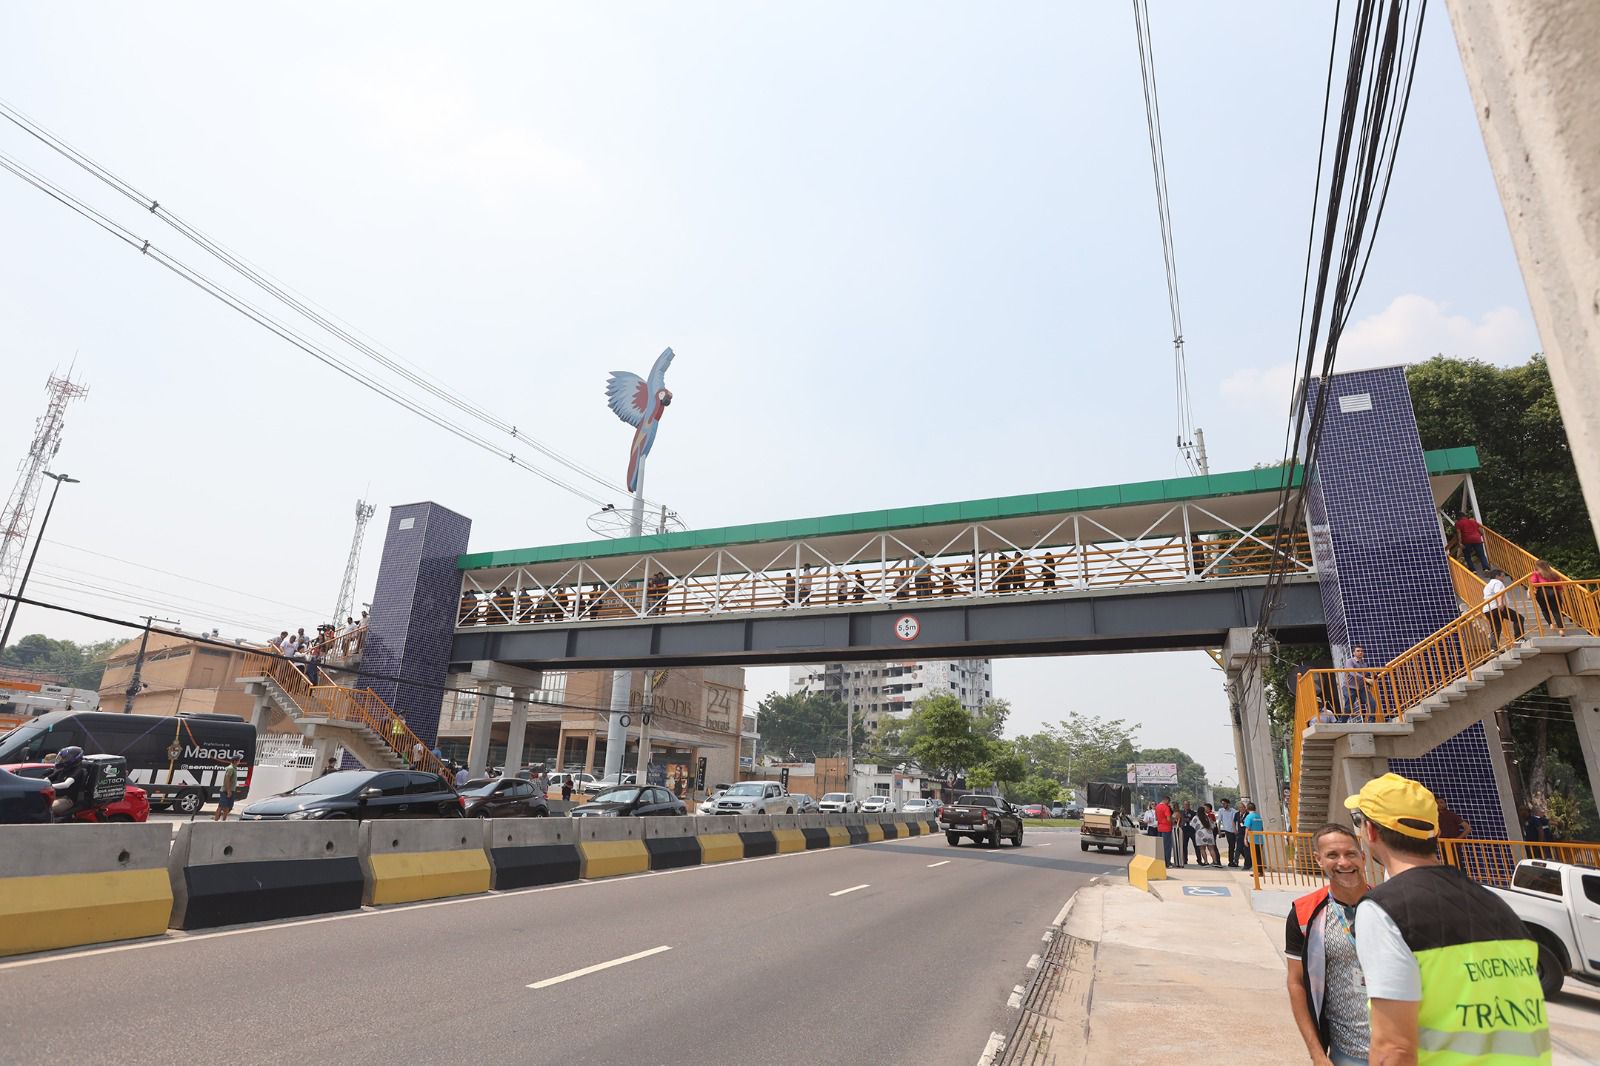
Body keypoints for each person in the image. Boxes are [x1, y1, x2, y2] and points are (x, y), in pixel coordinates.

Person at [1346, 773, 1550, 1066]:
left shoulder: (1383, 910)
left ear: (1370, 831)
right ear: (1435, 834)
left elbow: (1394, 1050)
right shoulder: (1493, 903)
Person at [1285, 823, 1372, 1066]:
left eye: (1351, 854)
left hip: (1402, 1049)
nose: (1344, 863)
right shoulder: (1304, 915)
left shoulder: (1390, 906)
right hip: (1348, 1055)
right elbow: (1297, 983)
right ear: (1318, 860)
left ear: (1363, 857)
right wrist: (1317, 1054)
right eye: (1332, 855)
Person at [1482, 569, 1525, 643]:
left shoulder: (1488, 585)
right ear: (1497, 576)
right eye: (1502, 576)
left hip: (1487, 609)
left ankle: (1494, 648)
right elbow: (1499, 593)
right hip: (1496, 607)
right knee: (1519, 618)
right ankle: (1519, 638)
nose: (1503, 578)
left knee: (1496, 628)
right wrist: (1500, 603)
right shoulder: (1498, 582)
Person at [46, 745, 89, 818]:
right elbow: (48, 778)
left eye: (64, 758)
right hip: (55, 796)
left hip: (67, 799)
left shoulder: (78, 770)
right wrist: (39, 784)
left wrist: (49, 786)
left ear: (73, 758)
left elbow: (66, 784)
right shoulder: (63, 769)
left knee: (48, 809)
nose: (62, 760)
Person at [1528, 559, 1565, 636]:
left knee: (1544, 609)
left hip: (1542, 591)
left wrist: (1529, 592)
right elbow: (1559, 586)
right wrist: (1561, 597)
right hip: (1553, 591)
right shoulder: (1553, 573)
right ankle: (1561, 630)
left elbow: (1533, 583)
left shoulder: (1536, 573)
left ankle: (1551, 624)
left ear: (1537, 567)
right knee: (1556, 610)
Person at [1341, 647, 1379, 720]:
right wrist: (1365, 679)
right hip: (1349, 687)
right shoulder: (1349, 661)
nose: (1360, 652)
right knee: (1349, 706)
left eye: (1362, 651)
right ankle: (1341, 721)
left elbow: (1367, 674)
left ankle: (1371, 721)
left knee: (1372, 702)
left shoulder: (1364, 664)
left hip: (1361, 687)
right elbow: (1352, 672)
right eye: (1358, 651)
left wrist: (1373, 676)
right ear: (1353, 653)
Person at [1215, 797, 1242, 867]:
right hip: (1228, 830)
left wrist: (1236, 830)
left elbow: (1234, 821)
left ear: (1228, 803)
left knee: (1239, 846)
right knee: (1231, 846)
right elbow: (1219, 821)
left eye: (1224, 803)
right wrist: (1219, 831)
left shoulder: (1233, 811)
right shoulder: (1221, 811)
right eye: (1222, 804)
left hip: (1235, 830)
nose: (1223, 805)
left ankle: (1236, 860)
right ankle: (1231, 861)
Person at [213, 757, 242, 821]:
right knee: (221, 806)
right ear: (235, 761)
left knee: (228, 806)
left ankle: (224, 820)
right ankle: (215, 820)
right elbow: (227, 779)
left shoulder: (234, 768)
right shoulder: (231, 768)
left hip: (231, 790)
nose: (239, 762)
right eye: (239, 760)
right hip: (225, 791)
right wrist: (228, 790)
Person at [1243, 802, 1264, 871]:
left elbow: (1247, 828)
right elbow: (1262, 828)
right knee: (1259, 856)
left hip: (1252, 839)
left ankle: (1256, 871)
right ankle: (1260, 871)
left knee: (1254, 856)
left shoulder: (1249, 817)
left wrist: (1245, 838)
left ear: (1247, 809)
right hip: (1260, 839)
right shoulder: (1259, 816)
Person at [1155, 794, 1174, 866]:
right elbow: (1168, 818)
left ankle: (1162, 861)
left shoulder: (1157, 807)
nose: (1168, 803)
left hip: (1160, 828)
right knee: (1167, 846)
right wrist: (1173, 820)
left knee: (1161, 846)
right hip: (1166, 828)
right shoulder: (1166, 807)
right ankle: (1167, 862)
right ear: (1166, 800)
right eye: (1168, 802)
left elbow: (1156, 818)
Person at [1178, 801, 1197, 867]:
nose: (1186, 806)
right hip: (1184, 830)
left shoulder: (1193, 813)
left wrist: (1189, 820)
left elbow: (1195, 821)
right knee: (1184, 845)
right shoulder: (1181, 812)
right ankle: (1184, 860)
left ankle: (1199, 860)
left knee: (1196, 845)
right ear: (1183, 805)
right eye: (1185, 804)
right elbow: (1178, 820)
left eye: (1188, 804)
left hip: (1192, 830)